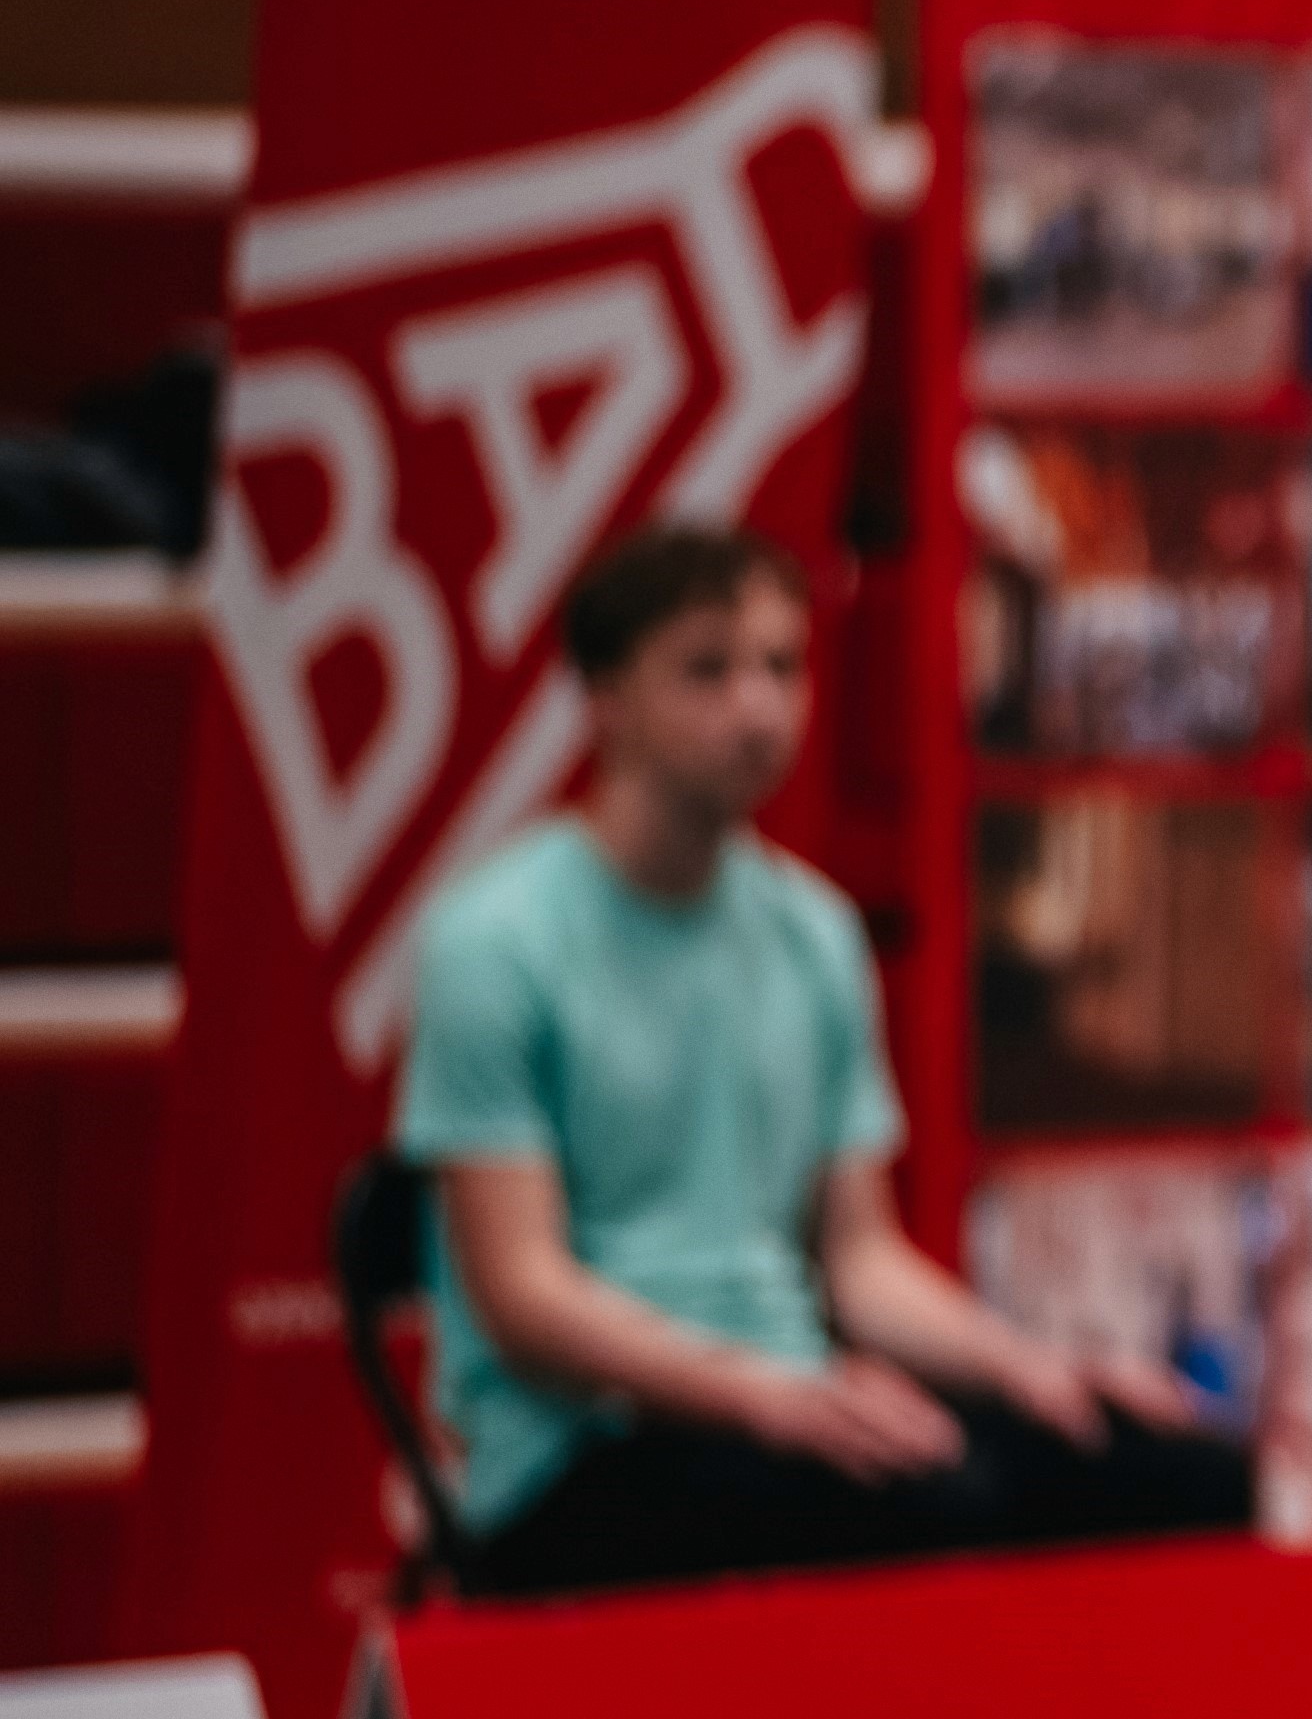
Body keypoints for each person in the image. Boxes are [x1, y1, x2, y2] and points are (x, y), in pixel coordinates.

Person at [402, 522, 1264, 1599]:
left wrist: (1029, 1364)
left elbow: (862, 1263)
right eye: (708, 670)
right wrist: (759, 1394)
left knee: (1181, 1477)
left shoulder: (814, 934)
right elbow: (523, 1295)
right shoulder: (494, 940)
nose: (759, 706)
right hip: (577, 1449)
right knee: (936, 1505)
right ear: (607, 697)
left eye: (782, 666)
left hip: (794, 1399)